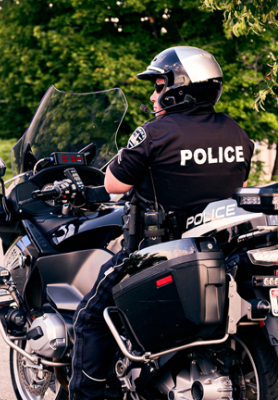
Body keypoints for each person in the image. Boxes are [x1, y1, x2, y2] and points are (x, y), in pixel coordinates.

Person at [69, 46, 254, 400]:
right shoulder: (235, 131)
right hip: (219, 248)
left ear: (178, 87)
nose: (154, 96)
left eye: (158, 86)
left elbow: (113, 185)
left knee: (90, 318)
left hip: (156, 249)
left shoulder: (155, 132)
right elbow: (239, 185)